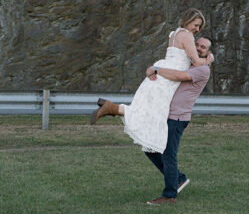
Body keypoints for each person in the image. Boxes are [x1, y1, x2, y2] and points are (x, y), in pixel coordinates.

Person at [92, 37, 214, 205]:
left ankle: (170, 195)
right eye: (197, 45)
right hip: (165, 114)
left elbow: (179, 76)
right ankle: (178, 178)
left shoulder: (202, 70)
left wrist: (156, 69)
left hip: (177, 118)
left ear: (208, 52)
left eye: (204, 48)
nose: (199, 49)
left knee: (168, 154)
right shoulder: (190, 62)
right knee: (150, 149)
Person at [90, 9, 212, 154]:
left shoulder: (174, 34)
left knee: (147, 109)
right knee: (154, 113)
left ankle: (112, 108)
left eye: (199, 27)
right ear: (188, 20)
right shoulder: (187, 36)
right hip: (169, 77)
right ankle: (111, 109)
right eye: (196, 25)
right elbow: (197, 62)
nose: (197, 29)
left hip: (163, 69)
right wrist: (209, 59)